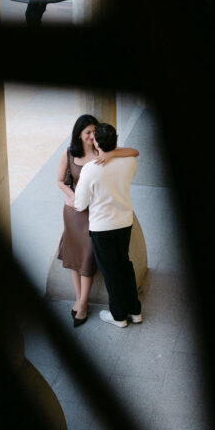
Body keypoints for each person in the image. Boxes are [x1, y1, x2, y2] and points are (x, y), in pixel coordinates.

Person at [56, 115, 138, 327]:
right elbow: (60, 181)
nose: (92, 137)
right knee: (80, 257)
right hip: (81, 213)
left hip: (96, 216)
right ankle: (82, 300)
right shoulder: (69, 153)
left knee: (97, 262)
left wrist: (110, 155)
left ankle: (94, 308)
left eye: (95, 133)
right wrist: (71, 195)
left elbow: (132, 152)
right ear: (79, 135)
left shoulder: (99, 159)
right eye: (88, 133)